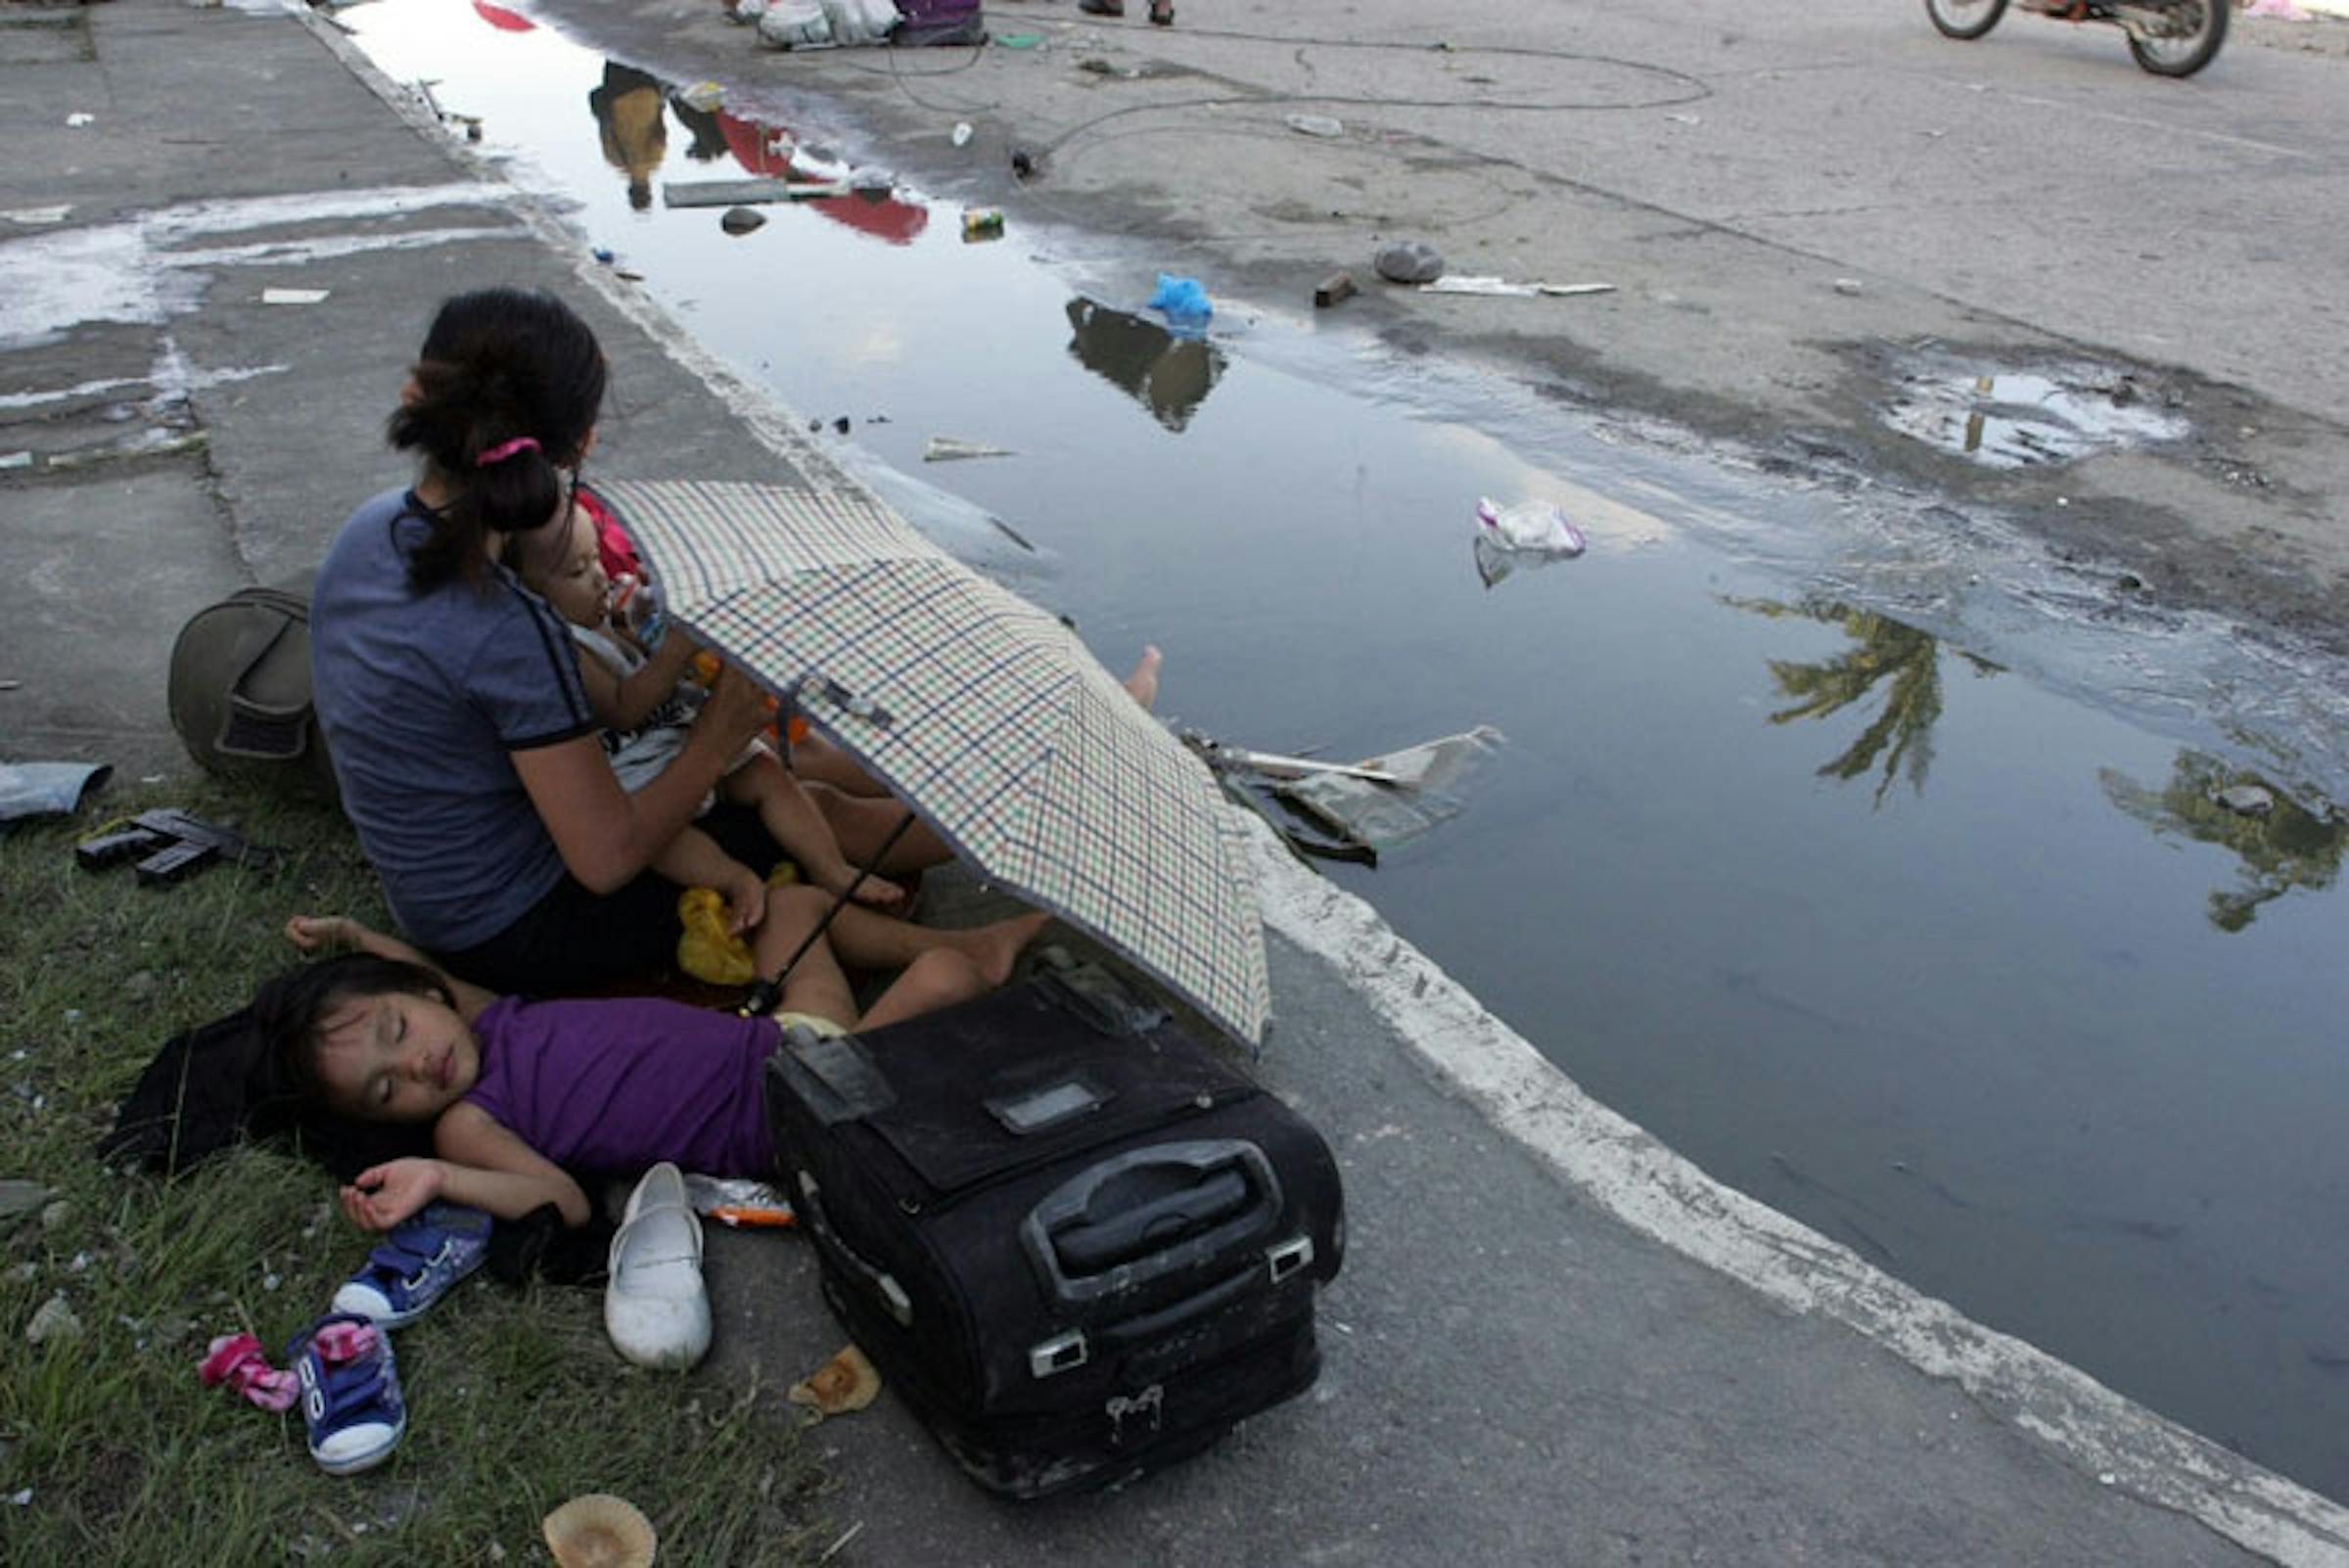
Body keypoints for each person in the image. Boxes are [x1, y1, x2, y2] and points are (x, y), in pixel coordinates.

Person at [308, 286, 1007, 997]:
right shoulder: (506, 627)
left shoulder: (370, 531)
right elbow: (606, 857)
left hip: (433, 887)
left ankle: (979, 814)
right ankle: (1001, 836)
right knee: (809, 803)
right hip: (511, 927)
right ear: (579, 445)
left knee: (779, 777)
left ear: (420, 399)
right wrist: (716, 736)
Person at [262, 907, 1045, 1231]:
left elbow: (411, 972)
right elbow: (558, 1201)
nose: (417, 1066)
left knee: (796, 906)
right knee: (941, 979)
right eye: (386, 1089)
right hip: (804, 1104)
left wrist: (354, 934)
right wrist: (440, 1179)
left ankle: (985, 946)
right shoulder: (467, 1120)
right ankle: (984, 966)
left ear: (426, 995)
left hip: (781, 1037)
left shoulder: (480, 1018)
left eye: (398, 1031)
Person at [512, 496, 909, 925]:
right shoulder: (563, 646)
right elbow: (624, 708)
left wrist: (651, 625)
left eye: (596, 561)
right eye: (577, 572)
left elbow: (643, 659)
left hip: (675, 737)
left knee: (767, 771)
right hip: (636, 769)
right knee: (666, 842)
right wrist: (677, 647)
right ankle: (733, 878)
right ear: (530, 597)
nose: (598, 578)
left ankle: (829, 865)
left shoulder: (597, 619)